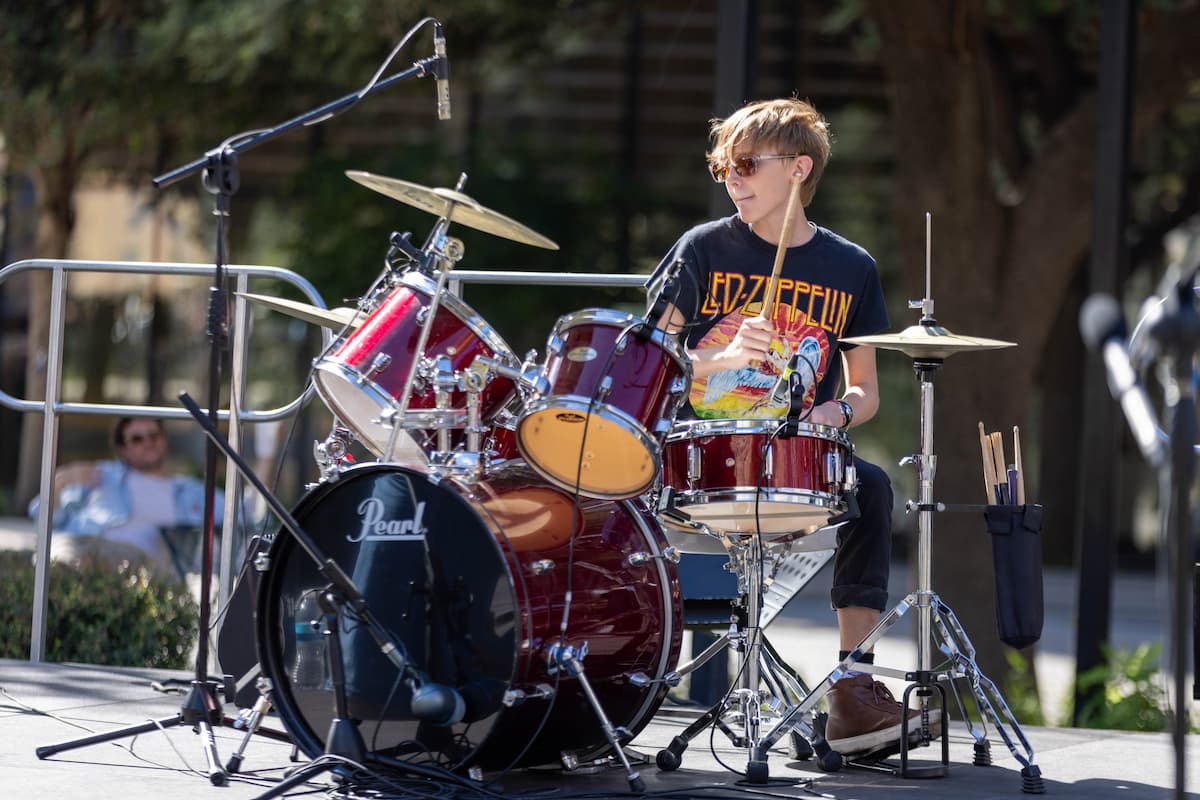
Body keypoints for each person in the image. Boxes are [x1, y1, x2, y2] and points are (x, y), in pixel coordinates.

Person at [648, 97, 939, 757]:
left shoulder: (850, 269)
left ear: (799, 168)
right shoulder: (702, 250)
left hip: (794, 457)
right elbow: (651, 365)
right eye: (726, 166)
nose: (733, 178)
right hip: (702, 457)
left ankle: (852, 690)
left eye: (748, 164)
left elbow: (862, 389)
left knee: (871, 488)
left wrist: (836, 410)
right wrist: (721, 358)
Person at [29, 417, 221, 582]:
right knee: (59, 554)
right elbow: (44, 520)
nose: (148, 442)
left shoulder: (190, 491)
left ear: (164, 440)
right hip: (83, 544)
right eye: (137, 439)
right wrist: (59, 483)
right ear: (122, 449)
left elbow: (235, 515)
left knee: (73, 563)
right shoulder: (101, 474)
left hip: (141, 559)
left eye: (154, 435)